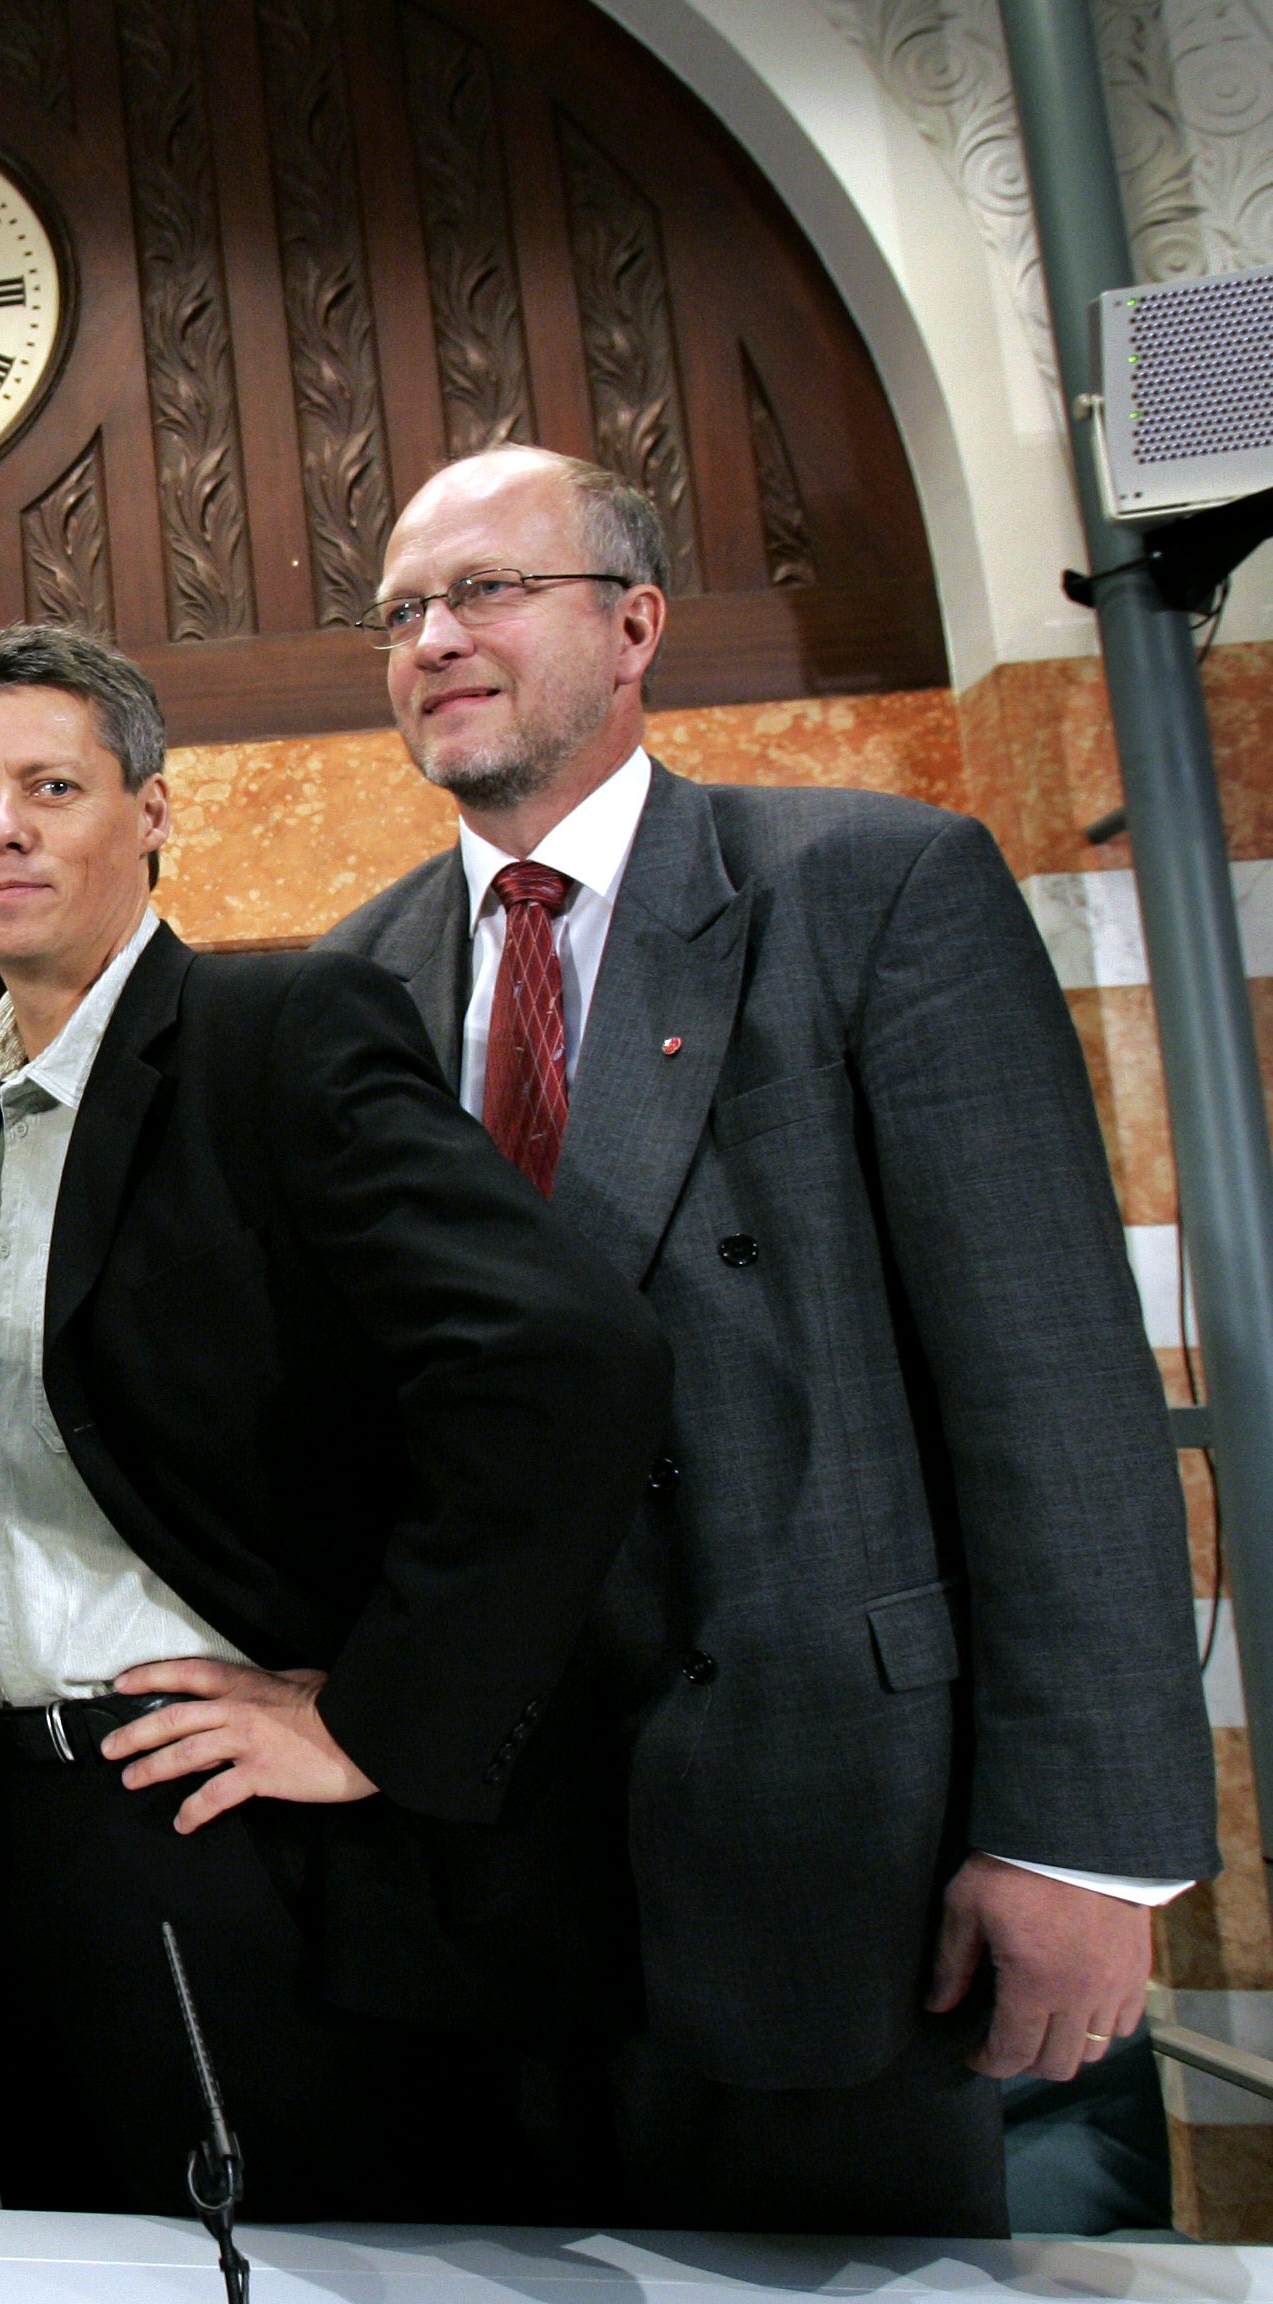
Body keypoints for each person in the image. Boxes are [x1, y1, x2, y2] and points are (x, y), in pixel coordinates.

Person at [322, 444, 1217, 2236]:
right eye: (403, 611)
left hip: (828, 1850)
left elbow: (1050, 1385)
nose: (435, 638)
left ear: (635, 624)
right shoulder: (353, 980)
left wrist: (1080, 1841)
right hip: (477, 1883)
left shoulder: (872, 884)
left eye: (488, 589)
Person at [0, 622, 669, 2223]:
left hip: (232, 1827)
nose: (1, 829)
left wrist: (378, 1720)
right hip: (45, 1830)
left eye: (52, 786)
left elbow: (565, 1356)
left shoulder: (278, 1030)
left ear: (153, 811)